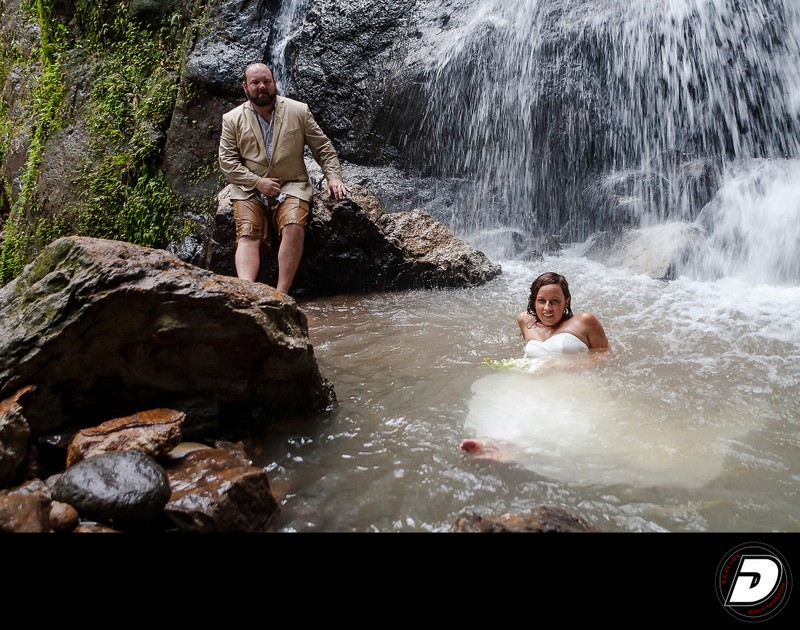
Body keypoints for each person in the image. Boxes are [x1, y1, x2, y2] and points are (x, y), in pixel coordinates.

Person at [218, 62, 350, 294]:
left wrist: (334, 177)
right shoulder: (232, 119)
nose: (262, 87)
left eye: (266, 82)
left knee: (293, 226)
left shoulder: (298, 110)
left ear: (274, 83)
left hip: (292, 184)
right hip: (250, 188)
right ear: (245, 87)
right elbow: (227, 162)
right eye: (255, 83)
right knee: (248, 233)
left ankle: (280, 295)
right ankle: (247, 292)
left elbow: (323, 148)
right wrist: (258, 182)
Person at [460, 271, 609, 455]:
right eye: (541, 301)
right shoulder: (525, 320)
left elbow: (606, 355)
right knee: (514, 407)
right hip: (535, 380)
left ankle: (514, 452)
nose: (547, 308)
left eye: (555, 301)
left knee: (555, 417)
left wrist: (577, 365)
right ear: (533, 301)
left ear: (567, 301)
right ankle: (492, 443)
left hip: (571, 382)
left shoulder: (585, 321)